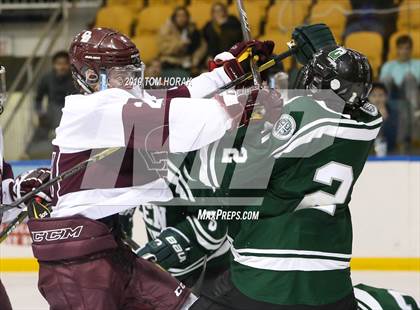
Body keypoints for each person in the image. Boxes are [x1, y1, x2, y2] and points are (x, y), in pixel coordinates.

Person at [25, 27, 273, 310]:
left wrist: (226, 72)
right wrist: (245, 104)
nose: (129, 81)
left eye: (132, 73)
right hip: (77, 265)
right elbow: (175, 123)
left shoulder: (112, 100)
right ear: (90, 77)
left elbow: (172, 98)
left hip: (107, 249)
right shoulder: (93, 109)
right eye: (120, 75)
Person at [141, 45, 382, 309]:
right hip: (333, 279)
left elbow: (228, 179)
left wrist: (248, 121)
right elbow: (343, 95)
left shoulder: (305, 113)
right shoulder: (367, 123)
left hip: (268, 272)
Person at [380, 34, 420, 150]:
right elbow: (381, 88)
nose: (404, 51)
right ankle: (382, 109)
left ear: (411, 50)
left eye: (407, 48)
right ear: (397, 49)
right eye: (401, 48)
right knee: (386, 78)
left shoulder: (418, 64)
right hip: (392, 94)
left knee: (409, 77)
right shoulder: (389, 66)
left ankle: (415, 113)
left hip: (413, 94)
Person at [34, 51, 78, 137]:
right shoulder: (46, 78)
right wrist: (40, 114)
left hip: (71, 114)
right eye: (59, 64)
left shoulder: (75, 79)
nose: (62, 67)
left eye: (65, 64)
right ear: (54, 65)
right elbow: (38, 99)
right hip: (53, 113)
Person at [159, 6, 207, 78]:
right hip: (171, 64)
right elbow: (164, 49)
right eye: (179, 16)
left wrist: (196, 58)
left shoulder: (192, 30)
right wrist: (180, 44)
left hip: (190, 64)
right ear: (174, 18)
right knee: (185, 77)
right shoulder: (166, 29)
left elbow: (202, 46)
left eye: (184, 16)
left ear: (188, 18)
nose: (181, 18)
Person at [368, 82, 398, 155]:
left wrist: (385, 118)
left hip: (391, 152)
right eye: (374, 96)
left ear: (386, 97)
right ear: (368, 98)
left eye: (381, 95)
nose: (377, 99)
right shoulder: (363, 115)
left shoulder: (394, 114)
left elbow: (394, 139)